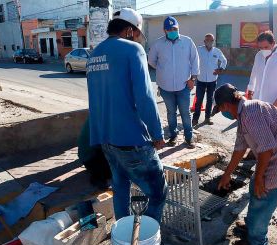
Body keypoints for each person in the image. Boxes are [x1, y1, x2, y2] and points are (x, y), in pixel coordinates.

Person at [86, 8, 167, 224]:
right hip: (132, 141)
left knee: (121, 189)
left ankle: (123, 238)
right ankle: (145, 242)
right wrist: (157, 134)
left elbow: (95, 100)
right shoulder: (133, 50)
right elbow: (145, 98)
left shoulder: (93, 55)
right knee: (158, 193)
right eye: (137, 32)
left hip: (106, 139)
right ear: (130, 31)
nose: (138, 37)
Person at [213, 83, 277, 245]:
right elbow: (239, 149)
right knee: (255, 186)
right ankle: (253, 224)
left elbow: (266, 149)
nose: (222, 113)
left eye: (221, 109)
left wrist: (260, 178)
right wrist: (226, 175)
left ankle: (257, 241)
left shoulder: (250, 113)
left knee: (262, 194)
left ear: (225, 106)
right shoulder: (244, 114)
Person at [148, 16, 200, 149]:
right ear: (164, 30)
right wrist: (163, 71)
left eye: (175, 28)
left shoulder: (187, 42)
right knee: (171, 113)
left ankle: (188, 138)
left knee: (185, 113)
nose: (172, 30)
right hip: (165, 88)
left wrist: (193, 79)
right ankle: (173, 135)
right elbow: (152, 61)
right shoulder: (158, 44)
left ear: (178, 28)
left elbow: (195, 60)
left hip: (184, 86)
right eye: (169, 29)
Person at [192, 33, 227, 126]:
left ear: (213, 41)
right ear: (204, 41)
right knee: (199, 100)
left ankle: (207, 118)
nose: (210, 42)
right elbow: (192, 60)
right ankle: (195, 118)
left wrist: (221, 69)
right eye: (208, 40)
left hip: (212, 80)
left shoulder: (217, 51)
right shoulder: (199, 50)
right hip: (201, 80)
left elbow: (224, 60)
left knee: (210, 100)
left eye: (212, 40)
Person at [78, 117, 112, 190]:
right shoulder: (107, 118)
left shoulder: (101, 112)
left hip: (89, 156)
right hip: (91, 158)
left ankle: (101, 175)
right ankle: (98, 178)